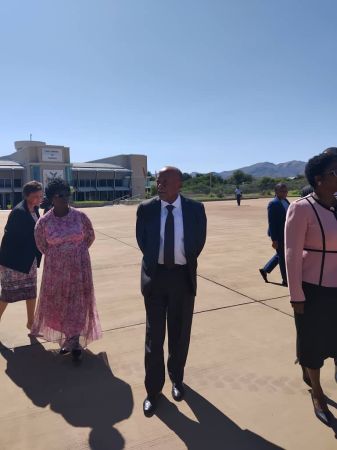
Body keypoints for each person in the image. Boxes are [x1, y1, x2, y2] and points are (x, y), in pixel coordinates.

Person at [136, 166, 207, 417]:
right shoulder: (146, 209)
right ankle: (153, 390)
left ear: (179, 184)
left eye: (165, 180)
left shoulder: (196, 210)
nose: (160, 184)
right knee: (154, 338)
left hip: (182, 279)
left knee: (179, 334)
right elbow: (143, 242)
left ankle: (177, 379)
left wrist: (178, 263)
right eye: (158, 180)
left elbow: (197, 244)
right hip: (155, 279)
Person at [285, 148, 337, 425]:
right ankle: (316, 391)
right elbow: (291, 255)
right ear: (319, 179)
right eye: (335, 172)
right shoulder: (302, 208)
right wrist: (296, 295)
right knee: (312, 344)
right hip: (313, 289)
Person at [31, 178, 102, 362]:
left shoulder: (80, 217)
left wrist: (75, 253)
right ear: (51, 198)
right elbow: (41, 245)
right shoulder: (44, 222)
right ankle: (68, 338)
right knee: (60, 304)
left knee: (77, 304)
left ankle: (75, 341)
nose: (65, 198)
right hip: (56, 271)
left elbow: (90, 237)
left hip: (79, 268)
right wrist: (60, 256)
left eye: (67, 193)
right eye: (60, 194)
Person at [0, 181, 43, 329]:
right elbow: (8, 237)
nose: (39, 199)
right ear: (26, 195)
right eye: (35, 196)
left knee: (31, 292)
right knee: (7, 295)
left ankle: (31, 323)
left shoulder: (34, 209)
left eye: (40, 195)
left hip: (29, 260)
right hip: (14, 262)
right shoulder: (19, 212)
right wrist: (2, 262)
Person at [259, 183, 289, 286]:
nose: (285, 193)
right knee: (282, 257)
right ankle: (285, 280)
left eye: (286, 191)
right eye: (282, 191)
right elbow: (272, 223)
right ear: (276, 192)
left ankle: (265, 269)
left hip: (286, 233)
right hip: (278, 235)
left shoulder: (285, 201)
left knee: (281, 254)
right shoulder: (273, 203)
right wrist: (274, 239)